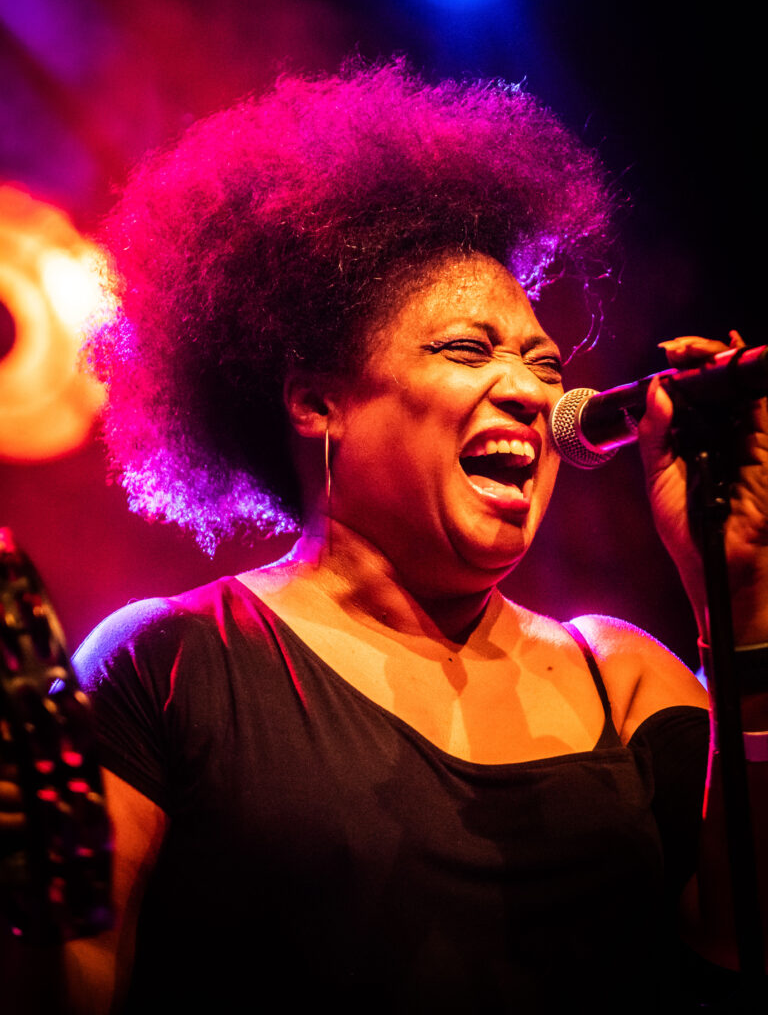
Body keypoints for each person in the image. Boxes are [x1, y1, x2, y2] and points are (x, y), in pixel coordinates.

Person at [2, 59, 767, 1013]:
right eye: (467, 349)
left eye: (541, 362)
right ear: (318, 400)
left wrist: (740, 603)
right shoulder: (170, 665)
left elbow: (747, 940)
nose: (534, 392)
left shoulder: (625, 677)